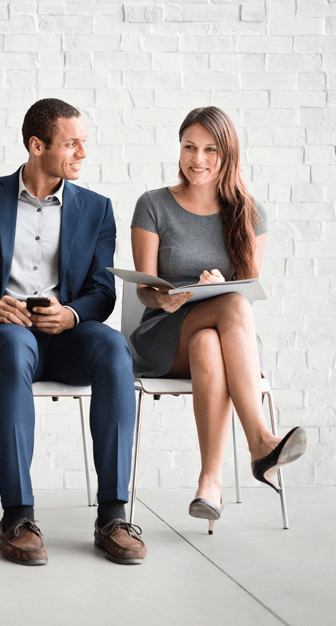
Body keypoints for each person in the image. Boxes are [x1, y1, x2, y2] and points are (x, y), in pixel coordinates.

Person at [0, 98, 146, 566]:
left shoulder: (97, 209)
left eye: (83, 143)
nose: (82, 153)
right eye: (71, 143)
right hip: (1, 337)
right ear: (37, 146)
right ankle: (17, 515)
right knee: (15, 346)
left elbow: (101, 290)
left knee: (114, 346)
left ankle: (113, 515)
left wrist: (72, 314)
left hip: (65, 337)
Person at [130, 106, 307, 533]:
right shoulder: (153, 205)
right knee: (227, 309)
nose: (198, 159)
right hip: (164, 336)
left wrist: (222, 283)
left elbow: (247, 292)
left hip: (226, 341)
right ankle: (261, 442)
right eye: (189, 147)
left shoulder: (250, 212)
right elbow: (143, 289)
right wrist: (165, 298)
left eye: (210, 149)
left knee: (211, 339)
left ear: (227, 154)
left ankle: (209, 484)